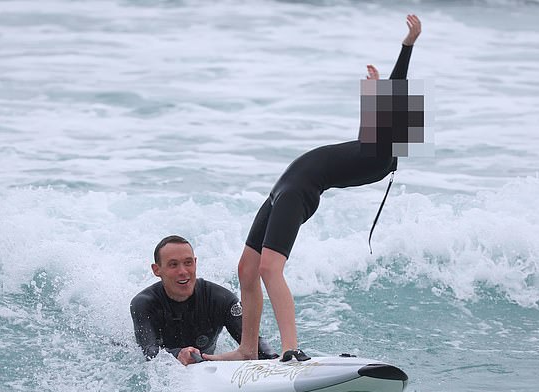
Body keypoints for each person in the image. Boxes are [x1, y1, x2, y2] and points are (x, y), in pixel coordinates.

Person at [205, 15, 423, 363]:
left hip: (297, 191)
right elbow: (381, 113)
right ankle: (247, 349)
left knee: (269, 269)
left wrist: (407, 45)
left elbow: (399, 87)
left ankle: (291, 349)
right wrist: (374, 88)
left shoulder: (384, 153)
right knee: (247, 267)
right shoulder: (377, 148)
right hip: (282, 187)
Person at [130, 235, 277, 365]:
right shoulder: (144, 304)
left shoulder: (221, 299)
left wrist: (275, 359)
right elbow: (149, 353)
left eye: (188, 263)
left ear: (195, 262)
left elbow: (252, 344)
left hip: (206, 365)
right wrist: (177, 354)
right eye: (173, 265)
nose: (183, 272)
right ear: (157, 270)